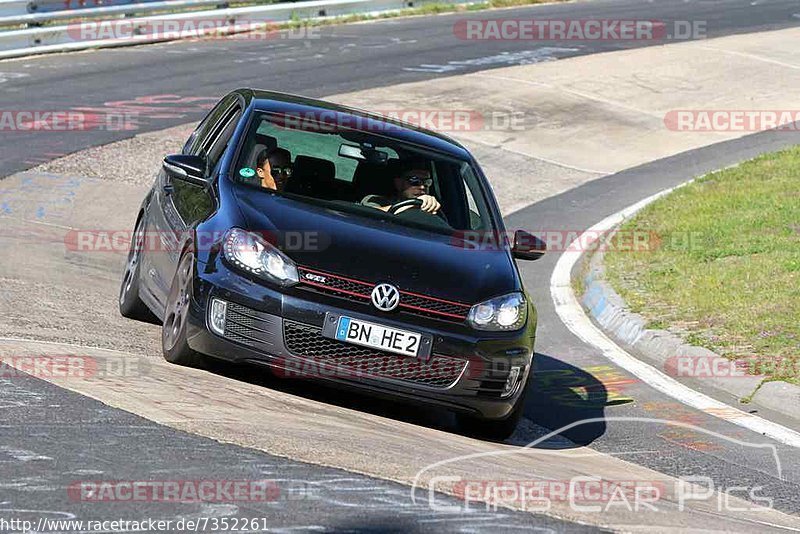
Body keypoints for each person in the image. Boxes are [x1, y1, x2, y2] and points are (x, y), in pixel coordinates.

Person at [361, 164, 441, 215]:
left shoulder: (435, 208)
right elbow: (368, 214)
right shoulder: (376, 200)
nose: (422, 187)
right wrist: (413, 204)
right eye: (415, 181)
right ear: (398, 183)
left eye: (427, 182)